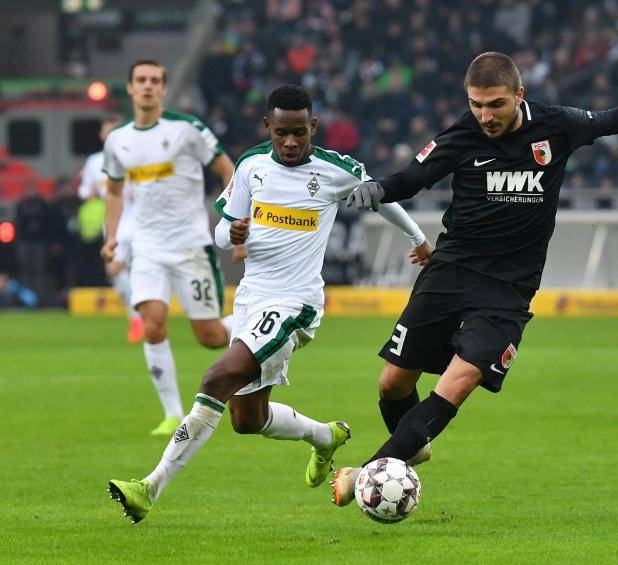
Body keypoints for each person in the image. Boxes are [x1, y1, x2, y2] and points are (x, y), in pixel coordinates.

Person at [330, 51, 618, 506]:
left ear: (519, 95)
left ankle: (369, 474)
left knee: (460, 380)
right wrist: (380, 188)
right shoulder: (463, 134)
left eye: (496, 104)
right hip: (449, 273)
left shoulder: (556, 125)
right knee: (392, 384)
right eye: (476, 105)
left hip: (507, 289)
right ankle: (411, 445)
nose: (485, 116)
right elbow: (414, 176)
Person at [106, 84, 432, 523]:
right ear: (268, 127)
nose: (291, 142)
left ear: (313, 126)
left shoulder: (334, 169)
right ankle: (325, 437)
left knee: (217, 376)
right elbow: (221, 231)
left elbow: (380, 196)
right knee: (246, 419)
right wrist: (232, 234)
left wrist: (418, 239)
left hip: (295, 305)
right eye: (282, 133)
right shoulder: (251, 165)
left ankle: (149, 487)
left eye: (300, 132)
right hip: (251, 300)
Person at [100, 60, 236, 436]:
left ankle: (252, 326)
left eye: (154, 80)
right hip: (147, 247)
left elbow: (228, 169)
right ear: (130, 88)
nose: (147, 86)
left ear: (163, 88)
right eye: (140, 80)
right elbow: (114, 191)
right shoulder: (117, 140)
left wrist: (232, 216)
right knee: (152, 324)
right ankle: (173, 414)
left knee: (210, 338)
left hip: (190, 246)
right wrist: (111, 237)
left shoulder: (187, 129)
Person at [79, 115, 144, 342]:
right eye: (108, 132)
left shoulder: (134, 158)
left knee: (124, 269)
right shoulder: (94, 162)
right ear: (102, 135)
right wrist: (90, 193)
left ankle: (140, 316)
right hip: (113, 223)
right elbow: (85, 191)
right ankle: (137, 314)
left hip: (136, 222)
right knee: (115, 271)